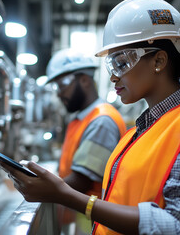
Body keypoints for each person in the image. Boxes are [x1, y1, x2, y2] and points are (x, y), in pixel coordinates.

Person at [0, 0, 180, 234]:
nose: (113, 77)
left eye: (121, 63)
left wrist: (64, 194)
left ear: (159, 60)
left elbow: (179, 227)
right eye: (112, 66)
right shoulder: (137, 132)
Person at [45, 48, 127, 234]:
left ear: (84, 80)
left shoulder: (101, 120)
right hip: (78, 216)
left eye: (62, 85)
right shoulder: (81, 119)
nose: (59, 93)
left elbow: (82, 180)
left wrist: (41, 186)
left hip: (91, 221)